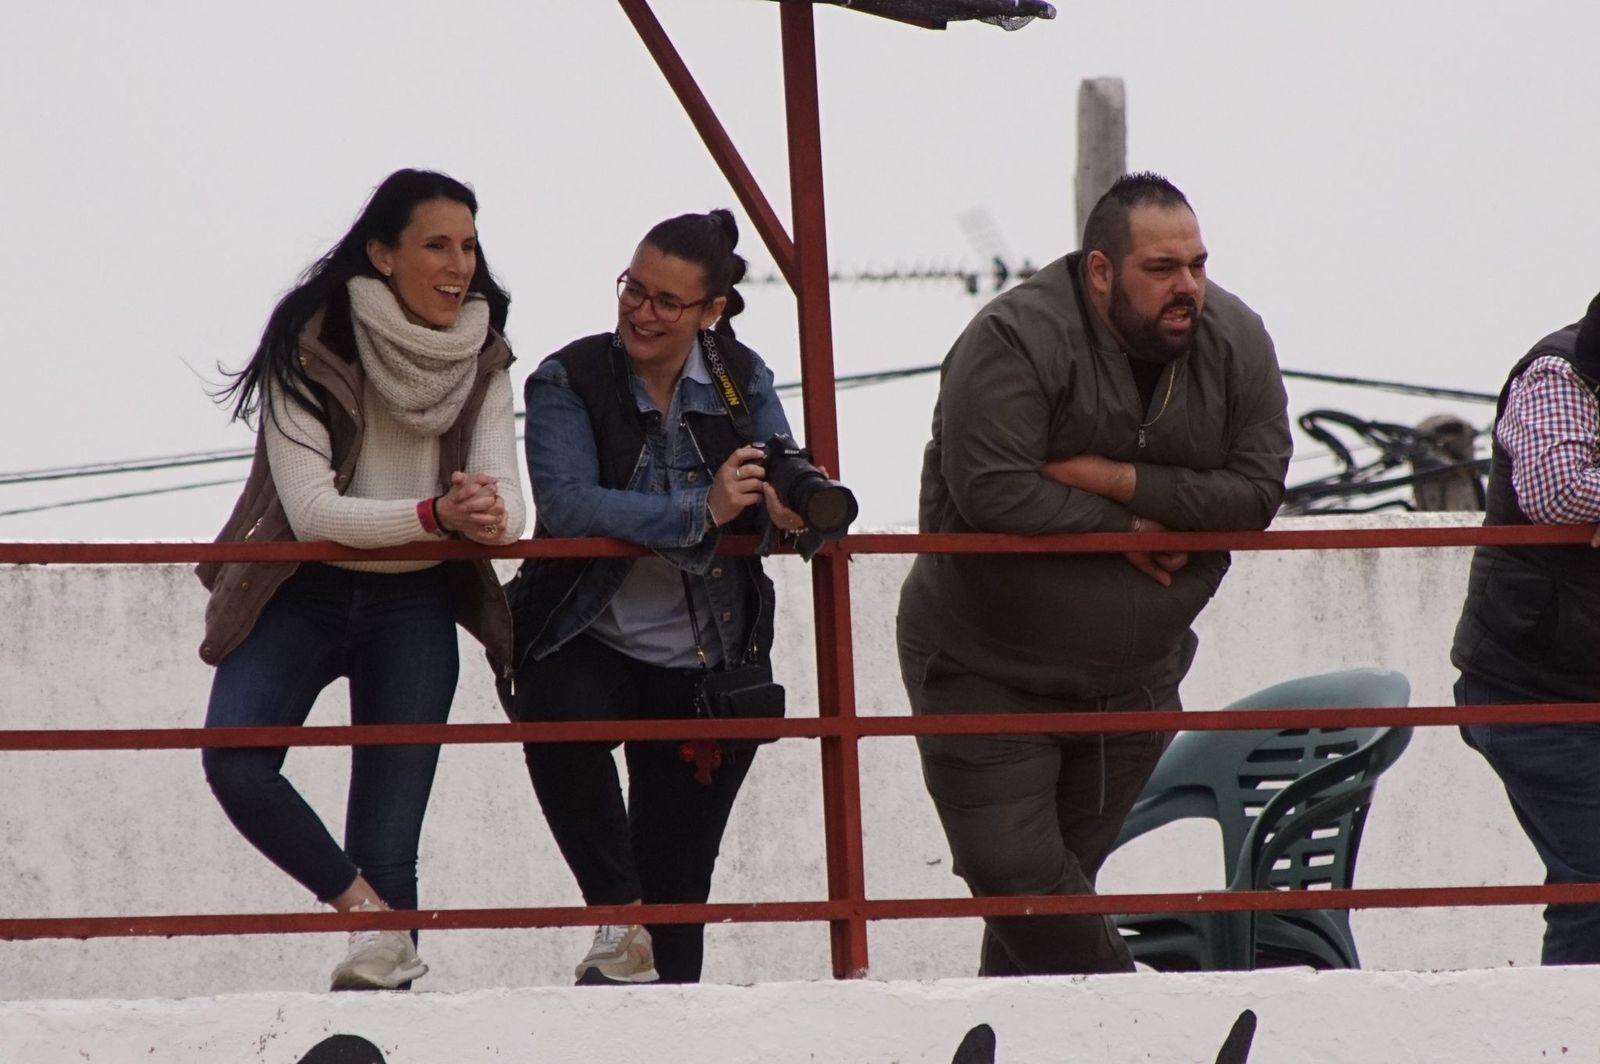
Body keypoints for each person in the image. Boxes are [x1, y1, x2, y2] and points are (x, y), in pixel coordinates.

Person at [896, 172, 1291, 976]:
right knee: (1017, 878)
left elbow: (1255, 492)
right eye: (1162, 269)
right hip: (986, 672)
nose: (1188, 288)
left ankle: (1019, 1042)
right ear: (1100, 269)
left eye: (1198, 264)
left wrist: (1113, 483)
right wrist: (1130, 533)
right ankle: (1146, 1027)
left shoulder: (1235, 339)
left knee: (1048, 898)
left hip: (1134, 681)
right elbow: (993, 487)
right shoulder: (1014, 337)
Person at [197, 169, 525, 990]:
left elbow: (507, 502)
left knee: (388, 842)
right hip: (300, 589)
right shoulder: (309, 342)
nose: (460, 264)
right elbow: (312, 511)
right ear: (382, 254)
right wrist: (435, 516)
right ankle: (370, 922)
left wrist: (487, 515)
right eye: (437, 245)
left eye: (470, 245)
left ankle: (391, 994)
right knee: (235, 757)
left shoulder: (485, 350)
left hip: (415, 601)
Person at [502, 209, 805, 985]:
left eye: (668, 301)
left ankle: (653, 1002)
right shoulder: (568, 377)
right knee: (559, 721)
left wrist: (785, 511)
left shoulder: (743, 379)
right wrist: (702, 508)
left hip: (708, 660)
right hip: (585, 632)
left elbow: (782, 475)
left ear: (712, 311)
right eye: (633, 288)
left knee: (679, 890)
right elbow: (568, 505)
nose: (641, 311)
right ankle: (615, 919)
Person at [1451, 290, 1600, 966]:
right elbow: (1558, 493)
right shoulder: (1560, 372)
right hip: (1533, 692)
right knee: (1593, 878)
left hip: (1571, 681)